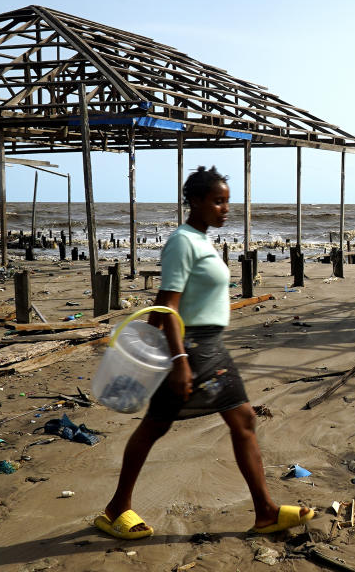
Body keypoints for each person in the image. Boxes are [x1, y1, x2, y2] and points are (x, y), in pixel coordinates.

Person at [95, 166, 314, 540]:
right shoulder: (182, 241)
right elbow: (166, 305)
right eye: (217, 201)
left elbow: (166, 304)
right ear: (195, 201)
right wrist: (176, 360)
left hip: (208, 347)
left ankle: (265, 511)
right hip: (192, 349)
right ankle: (116, 509)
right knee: (156, 427)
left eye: (227, 201)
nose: (225, 208)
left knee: (242, 421)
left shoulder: (200, 239)